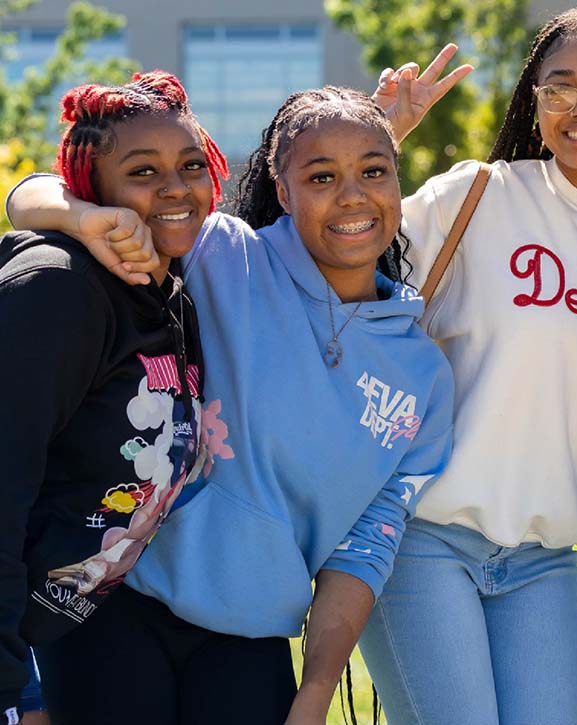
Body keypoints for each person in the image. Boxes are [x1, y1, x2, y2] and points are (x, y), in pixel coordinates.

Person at [5, 84, 454, 725]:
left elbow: (364, 549)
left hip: (250, 636)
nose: (353, 196)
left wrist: (316, 692)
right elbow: (31, 196)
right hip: (117, 602)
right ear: (282, 185)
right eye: (321, 176)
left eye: (375, 172)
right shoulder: (222, 254)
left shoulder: (425, 379)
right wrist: (81, 219)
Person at [359, 5, 577, 724]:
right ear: (534, 100)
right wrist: (378, 140)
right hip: (421, 538)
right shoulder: (479, 195)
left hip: (544, 557)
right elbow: (326, 253)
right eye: (558, 87)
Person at [0, 71, 222, 724]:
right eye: (143, 172)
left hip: (55, 632)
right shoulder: (57, 291)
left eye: (189, 164)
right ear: (95, 189)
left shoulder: (171, 282)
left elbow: (23, 194)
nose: (176, 188)